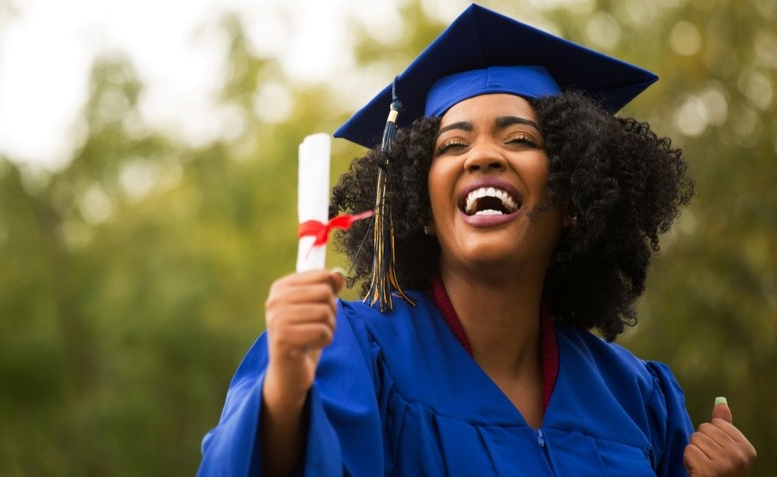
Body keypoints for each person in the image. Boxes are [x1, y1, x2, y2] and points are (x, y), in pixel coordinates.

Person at [198, 4, 757, 476]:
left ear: (574, 194)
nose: (483, 156)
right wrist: (284, 397)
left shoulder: (639, 401)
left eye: (518, 138)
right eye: (451, 146)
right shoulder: (351, 353)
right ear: (419, 203)